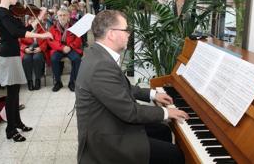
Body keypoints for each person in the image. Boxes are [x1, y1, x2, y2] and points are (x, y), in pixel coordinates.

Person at [75, 10, 189, 164]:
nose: (129, 34)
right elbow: (130, 112)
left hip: (110, 123)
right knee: (174, 155)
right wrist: (166, 112)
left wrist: (152, 94)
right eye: (126, 29)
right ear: (111, 34)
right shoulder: (101, 65)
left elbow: (120, 87)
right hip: (106, 140)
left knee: (162, 130)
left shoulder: (98, 53)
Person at [0, 0, 53, 142]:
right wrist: (42, 34)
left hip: (13, 55)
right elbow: (17, 33)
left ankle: (17, 122)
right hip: (7, 57)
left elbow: (23, 28)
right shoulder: (1, 13)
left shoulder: (9, 13)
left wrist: (39, 19)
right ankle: (10, 130)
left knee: (15, 92)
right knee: (12, 95)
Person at [47, 8, 82, 92]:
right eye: (60, 15)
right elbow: (51, 41)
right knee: (54, 59)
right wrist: (62, 48)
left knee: (77, 59)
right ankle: (58, 82)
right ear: (57, 17)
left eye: (64, 15)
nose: (62, 17)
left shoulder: (74, 27)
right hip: (58, 49)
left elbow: (78, 40)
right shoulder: (52, 28)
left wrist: (70, 47)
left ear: (68, 16)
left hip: (71, 48)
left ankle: (72, 82)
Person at [19, 17, 48, 91]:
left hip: (38, 49)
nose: (32, 21)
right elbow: (20, 42)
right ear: (28, 21)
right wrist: (25, 49)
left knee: (37, 58)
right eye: (30, 19)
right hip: (28, 49)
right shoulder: (24, 30)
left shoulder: (42, 28)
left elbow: (46, 41)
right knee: (26, 59)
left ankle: (38, 79)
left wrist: (40, 48)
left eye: (34, 19)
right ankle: (29, 81)